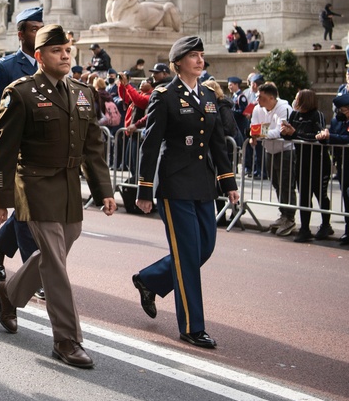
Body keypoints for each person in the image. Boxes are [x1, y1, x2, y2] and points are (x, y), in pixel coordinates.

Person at [0, 24, 116, 368]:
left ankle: (9, 293)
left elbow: (93, 148)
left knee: (55, 251)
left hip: (68, 187)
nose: (65, 55)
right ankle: (67, 338)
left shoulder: (83, 92)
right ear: (39, 56)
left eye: (68, 50)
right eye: (57, 51)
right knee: (56, 261)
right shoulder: (22, 93)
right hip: (34, 184)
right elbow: (3, 151)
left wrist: (104, 190)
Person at [131, 36, 239, 350]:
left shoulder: (208, 94)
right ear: (178, 62)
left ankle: (150, 280)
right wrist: (145, 189)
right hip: (175, 185)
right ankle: (192, 327)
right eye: (193, 55)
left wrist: (228, 184)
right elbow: (150, 144)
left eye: (201, 55)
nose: (199, 60)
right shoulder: (164, 96)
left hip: (204, 184)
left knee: (204, 247)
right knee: (189, 255)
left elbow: (218, 143)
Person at [0, 6, 44, 283]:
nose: (40, 33)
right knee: (27, 212)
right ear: (21, 34)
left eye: (42, 28)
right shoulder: (4, 68)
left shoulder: (50, 66)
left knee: (28, 209)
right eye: (34, 29)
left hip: (41, 156)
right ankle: (37, 273)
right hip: (14, 154)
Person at [281, 89, 333, 242]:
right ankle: (305, 228)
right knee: (304, 194)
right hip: (301, 160)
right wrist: (285, 132)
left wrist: (294, 133)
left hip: (318, 162)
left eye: (297, 98)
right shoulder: (294, 114)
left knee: (320, 194)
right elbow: (288, 136)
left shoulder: (317, 115)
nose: (295, 101)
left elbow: (316, 137)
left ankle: (325, 225)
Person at [250, 82, 298, 236]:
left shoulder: (283, 108)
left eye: (262, 98)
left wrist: (261, 135)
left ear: (271, 98)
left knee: (286, 184)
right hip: (269, 150)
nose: (258, 100)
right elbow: (255, 126)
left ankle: (289, 217)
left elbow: (280, 131)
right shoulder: (258, 108)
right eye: (258, 97)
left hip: (285, 150)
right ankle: (283, 213)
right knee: (276, 183)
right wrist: (256, 135)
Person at [316, 93, 349, 245]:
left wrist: (331, 137)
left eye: (346, 109)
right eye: (342, 109)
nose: (344, 112)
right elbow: (331, 139)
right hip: (343, 163)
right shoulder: (337, 121)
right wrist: (323, 138)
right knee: (346, 197)